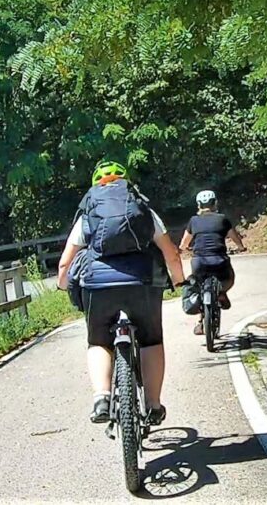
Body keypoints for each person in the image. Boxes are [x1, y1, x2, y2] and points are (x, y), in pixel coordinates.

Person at [57, 160, 186, 426]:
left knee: (99, 342)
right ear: (127, 183)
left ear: (95, 186)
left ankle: (102, 397)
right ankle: (152, 405)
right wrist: (180, 282)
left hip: (97, 285)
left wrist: (62, 284)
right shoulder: (143, 210)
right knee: (151, 341)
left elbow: (64, 263)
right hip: (143, 281)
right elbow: (171, 254)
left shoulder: (87, 215)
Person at [179, 190, 246, 335]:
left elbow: (184, 242)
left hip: (199, 262)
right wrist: (241, 247)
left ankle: (201, 322)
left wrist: (182, 249)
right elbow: (234, 237)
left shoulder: (193, 221)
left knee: (198, 285)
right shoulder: (222, 219)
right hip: (219, 261)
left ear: (198, 205)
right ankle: (222, 293)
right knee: (228, 277)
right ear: (215, 203)